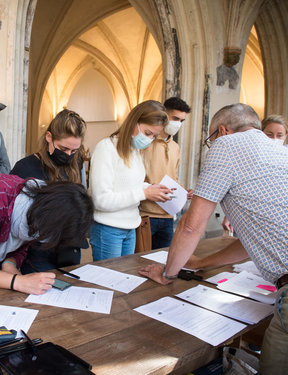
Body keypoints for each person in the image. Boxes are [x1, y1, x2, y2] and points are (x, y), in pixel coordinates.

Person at [139, 103, 288, 375]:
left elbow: (190, 226)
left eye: (210, 140)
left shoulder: (226, 145)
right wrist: (199, 263)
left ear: (222, 131)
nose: (212, 146)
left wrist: (168, 274)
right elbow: (251, 241)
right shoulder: (279, 151)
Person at [89, 100, 174, 261]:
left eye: (154, 136)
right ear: (134, 122)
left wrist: (152, 188)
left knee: (125, 279)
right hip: (108, 228)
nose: (149, 139)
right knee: (108, 281)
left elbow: (129, 184)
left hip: (131, 226)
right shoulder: (106, 148)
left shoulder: (135, 151)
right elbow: (101, 200)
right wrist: (144, 193)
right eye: (148, 133)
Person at [10, 109, 88, 272]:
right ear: (49, 137)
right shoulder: (25, 167)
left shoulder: (75, 164)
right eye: (63, 148)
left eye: (74, 151)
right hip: (37, 252)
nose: (68, 155)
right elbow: (10, 215)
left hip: (68, 249)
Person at [140, 97, 193, 249]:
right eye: (175, 118)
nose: (178, 124)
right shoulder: (145, 142)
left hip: (168, 214)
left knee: (162, 259)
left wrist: (183, 192)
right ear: (164, 115)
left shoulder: (175, 147)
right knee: (140, 259)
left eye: (182, 121)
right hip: (146, 213)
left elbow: (173, 177)